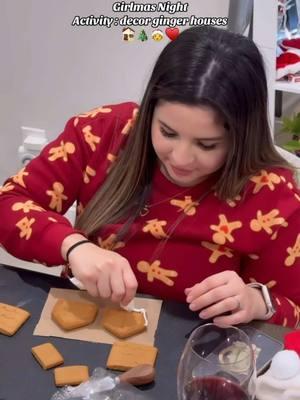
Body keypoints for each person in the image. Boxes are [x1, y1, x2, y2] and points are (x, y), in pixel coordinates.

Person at [0, 26, 299, 328]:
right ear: (149, 111)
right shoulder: (100, 133)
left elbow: (293, 308)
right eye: (167, 132)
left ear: (242, 138)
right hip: (89, 323)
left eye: (206, 145)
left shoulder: (272, 194)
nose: (180, 158)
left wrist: (257, 301)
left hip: (195, 350)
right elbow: (9, 204)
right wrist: (73, 246)